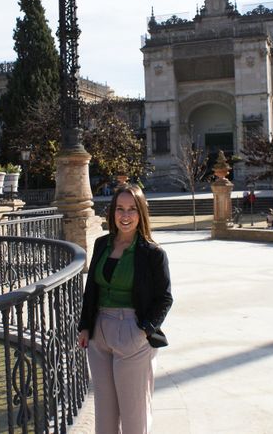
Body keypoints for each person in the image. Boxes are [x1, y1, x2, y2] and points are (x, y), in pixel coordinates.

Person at [78, 183, 173, 434]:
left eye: (132, 209)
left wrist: (142, 331)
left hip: (132, 332)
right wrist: (85, 326)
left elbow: (165, 299)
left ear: (141, 213)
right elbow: (92, 290)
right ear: (113, 212)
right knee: (105, 416)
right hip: (99, 334)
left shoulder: (153, 254)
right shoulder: (101, 244)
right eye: (120, 209)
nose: (125, 215)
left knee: (134, 417)